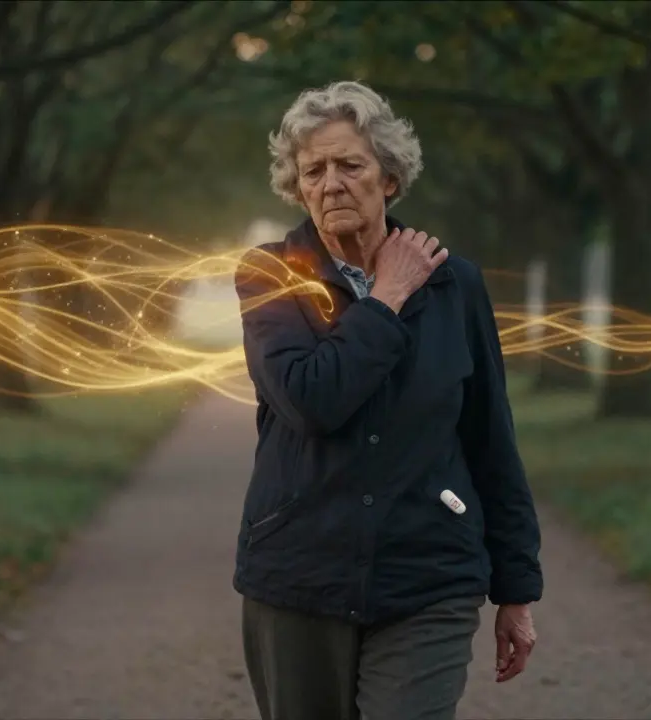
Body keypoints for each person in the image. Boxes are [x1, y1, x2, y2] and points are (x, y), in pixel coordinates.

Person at [233, 80, 543, 720]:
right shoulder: (269, 275)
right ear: (297, 188)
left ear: (390, 178)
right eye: (313, 170)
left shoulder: (455, 282)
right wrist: (386, 298)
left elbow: (490, 436)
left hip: (429, 574)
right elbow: (311, 400)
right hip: (299, 576)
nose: (331, 183)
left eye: (351, 164)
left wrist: (516, 589)